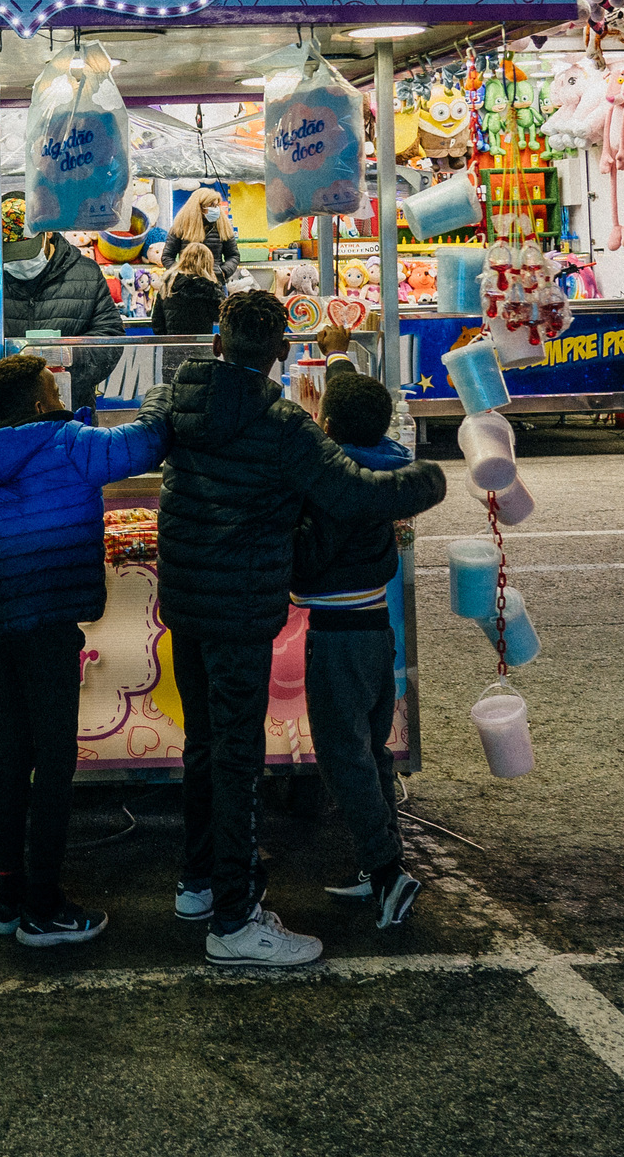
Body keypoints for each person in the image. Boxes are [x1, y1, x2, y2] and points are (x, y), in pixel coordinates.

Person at [152, 287, 445, 968]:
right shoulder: (285, 423)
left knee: (205, 745)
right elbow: (351, 492)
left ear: (218, 343)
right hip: (243, 610)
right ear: (281, 352)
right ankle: (235, 919)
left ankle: (198, 883)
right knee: (236, 758)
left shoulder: (177, 401)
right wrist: (427, 478)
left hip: (188, 605)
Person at [0, 353, 168, 949]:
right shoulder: (70, 442)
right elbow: (145, 446)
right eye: (52, 387)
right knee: (54, 765)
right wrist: (161, 397)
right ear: (42, 403)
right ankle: (44, 906)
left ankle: (8, 893)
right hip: (48, 626)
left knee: (9, 764)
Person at [298, 361, 429, 929]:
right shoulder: (385, 473)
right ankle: (380, 861)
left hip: (338, 637)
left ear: (326, 425)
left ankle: (386, 874)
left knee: (343, 756)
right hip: (377, 631)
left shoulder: (336, 487)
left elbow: (308, 563)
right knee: (372, 753)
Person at [0, 192, 126, 411]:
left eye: (26, 250)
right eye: (10, 253)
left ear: (48, 232)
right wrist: (0, 359)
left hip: (66, 417)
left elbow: (110, 338)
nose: (20, 261)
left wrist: (67, 356)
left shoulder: (86, 273)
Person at [152, 240, 228, 336]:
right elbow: (221, 315)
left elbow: (157, 320)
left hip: (172, 345)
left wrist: (167, 341)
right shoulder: (208, 288)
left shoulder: (169, 284)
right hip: (200, 344)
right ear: (207, 263)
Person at [168, 188, 241, 280]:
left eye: (217, 205)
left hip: (215, 281)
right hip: (187, 283)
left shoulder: (223, 227)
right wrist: (179, 274)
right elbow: (168, 256)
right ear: (199, 207)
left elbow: (233, 255)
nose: (216, 209)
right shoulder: (180, 227)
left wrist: (223, 272)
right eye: (211, 205)